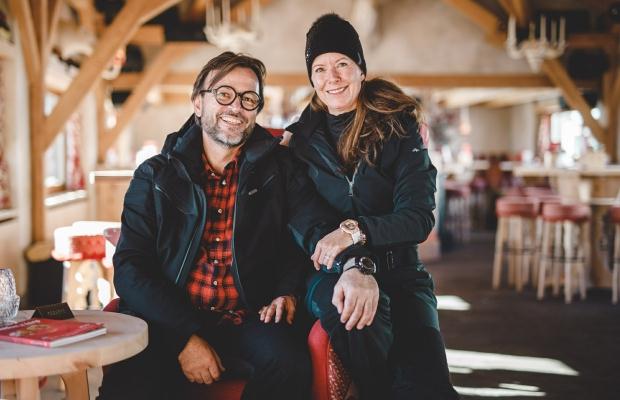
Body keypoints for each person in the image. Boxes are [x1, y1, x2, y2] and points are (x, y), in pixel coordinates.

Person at [98, 51, 353, 400]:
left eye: (249, 98)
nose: (236, 107)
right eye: (224, 94)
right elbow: (130, 269)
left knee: (289, 365)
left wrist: (289, 289)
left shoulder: (280, 169)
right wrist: (183, 337)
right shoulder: (155, 175)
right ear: (198, 103)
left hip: (248, 316)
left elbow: (307, 236)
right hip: (168, 316)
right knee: (130, 384)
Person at [285, 13, 460, 400]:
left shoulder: (399, 129)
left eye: (342, 64)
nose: (332, 77)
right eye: (320, 68)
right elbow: (308, 223)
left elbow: (417, 218)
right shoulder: (299, 144)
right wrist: (352, 263)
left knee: (430, 387)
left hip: (402, 273)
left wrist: (355, 230)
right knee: (352, 312)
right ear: (311, 78)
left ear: (361, 69)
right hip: (329, 273)